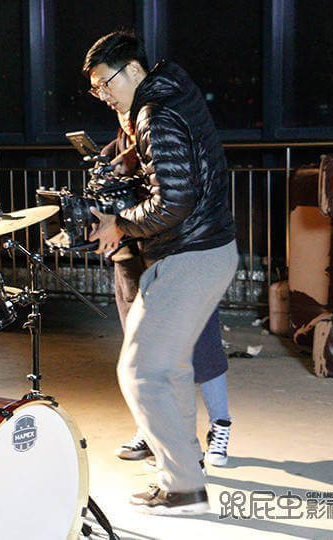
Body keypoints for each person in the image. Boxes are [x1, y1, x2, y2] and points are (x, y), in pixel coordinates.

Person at [83, 30, 238, 514]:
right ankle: (185, 475)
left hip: (192, 253)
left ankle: (182, 484)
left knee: (140, 372)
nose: (103, 95)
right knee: (170, 370)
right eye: (95, 89)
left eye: (106, 84)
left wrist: (119, 223)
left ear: (133, 70)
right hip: (204, 249)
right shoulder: (171, 94)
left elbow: (174, 201)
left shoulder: (156, 112)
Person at [103, 112, 233, 469]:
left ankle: (220, 425)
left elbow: (181, 198)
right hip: (131, 257)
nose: (120, 110)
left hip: (181, 256)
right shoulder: (116, 146)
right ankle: (151, 429)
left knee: (202, 344)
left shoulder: (172, 134)